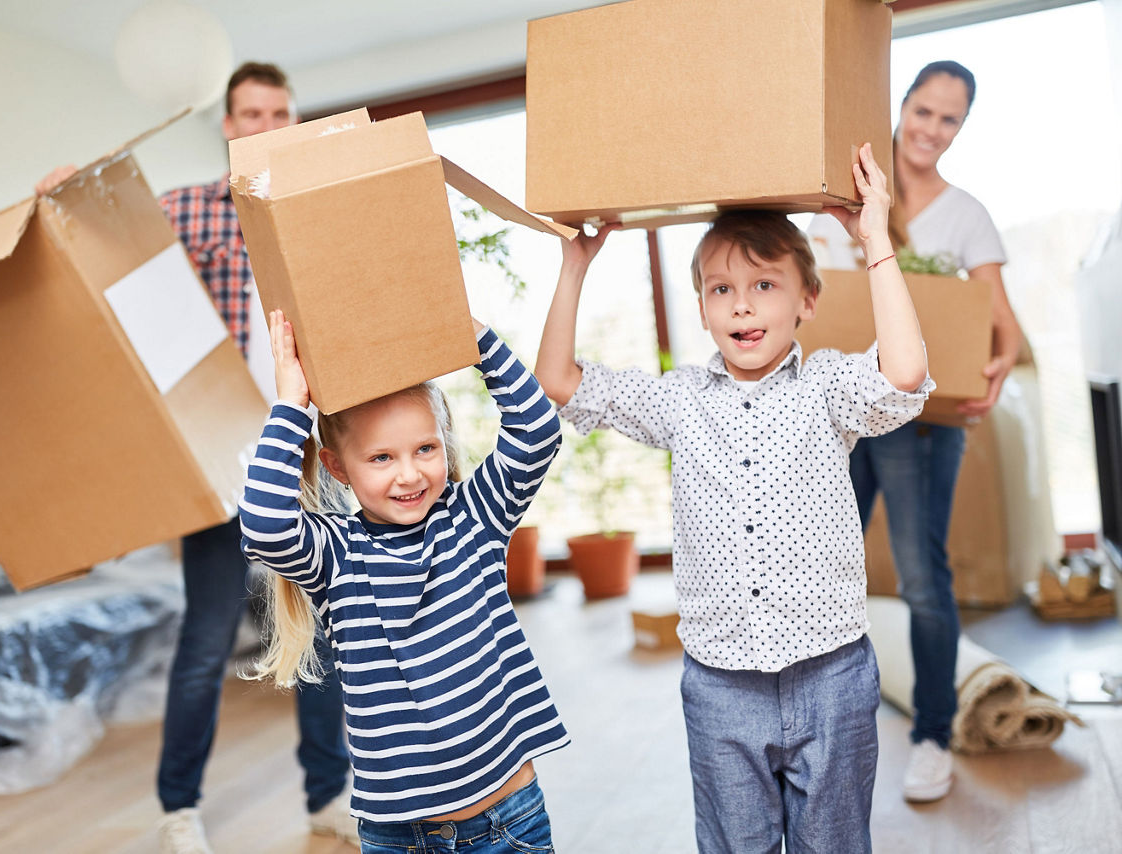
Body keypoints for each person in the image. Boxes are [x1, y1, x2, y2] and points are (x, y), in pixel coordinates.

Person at [535, 145, 932, 853]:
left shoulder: (827, 390)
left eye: (764, 284)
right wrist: (575, 265)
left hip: (832, 673)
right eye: (720, 289)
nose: (742, 302)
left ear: (807, 300)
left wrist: (874, 239)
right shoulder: (679, 400)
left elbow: (903, 376)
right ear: (702, 308)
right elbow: (561, 382)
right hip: (720, 685)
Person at [38, 63, 355, 853]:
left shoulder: (316, 209)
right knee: (207, 638)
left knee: (321, 635)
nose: (265, 123)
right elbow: (112, 242)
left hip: (309, 454)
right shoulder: (187, 208)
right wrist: (66, 195)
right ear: (229, 123)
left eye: (278, 111)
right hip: (221, 458)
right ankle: (179, 808)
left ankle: (329, 797)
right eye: (250, 113)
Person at [240, 309, 570, 854]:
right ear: (337, 467)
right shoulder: (337, 556)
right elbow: (266, 527)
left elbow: (537, 429)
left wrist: (474, 336)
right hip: (398, 839)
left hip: (508, 821)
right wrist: (290, 407)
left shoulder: (474, 517)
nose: (410, 473)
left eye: (425, 448)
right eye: (380, 457)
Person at [807, 60, 1022, 803]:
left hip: (923, 424)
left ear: (961, 128)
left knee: (922, 579)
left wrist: (991, 369)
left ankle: (933, 732)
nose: (931, 129)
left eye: (949, 119)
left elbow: (1003, 329)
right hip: (840, 414)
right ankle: (820, 731)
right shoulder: (843, 197)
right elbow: (811, 301)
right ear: (900, 107)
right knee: (826, 572)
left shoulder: (966, 215)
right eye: (923, 111)